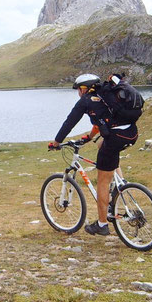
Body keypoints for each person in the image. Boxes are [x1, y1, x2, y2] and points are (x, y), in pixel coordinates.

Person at [50, 73, 139, 236]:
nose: (78, 92)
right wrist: (89, 137)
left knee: (102, 182)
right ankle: (120, 184)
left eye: (78, 89)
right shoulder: (106, 95)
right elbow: (102, 121)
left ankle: (102, 224)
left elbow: (69, 122)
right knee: (101, 145)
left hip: (115, 138)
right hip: (131, 133)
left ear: (84, 89)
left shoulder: (86, 101)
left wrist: (56, 143)